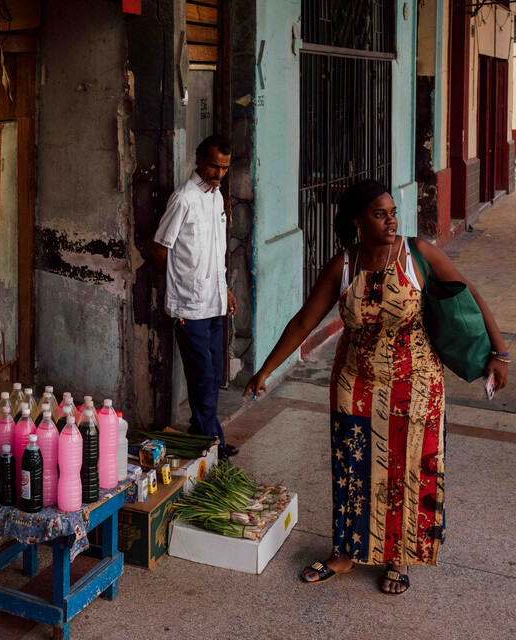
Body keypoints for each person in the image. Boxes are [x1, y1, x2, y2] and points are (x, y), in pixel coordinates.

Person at [243, 179, 508, 595]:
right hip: (355, 381)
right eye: (379, 214)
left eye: (392, 212)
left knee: (406, 470)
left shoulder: (417, 253)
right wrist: (266, 370)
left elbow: (467, 291)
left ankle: (397, 557)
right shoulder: (343, 266)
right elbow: (302, 323)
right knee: (353, 467)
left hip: (416, 384)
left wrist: (500, 352)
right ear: (357, 221)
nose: (390, 221)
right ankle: (346, 552)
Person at [151, 134, 239, 461]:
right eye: (214, 166)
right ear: (199, 160)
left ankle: (203, 436)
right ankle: (212, 442)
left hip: (214, 303)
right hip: (189, 306)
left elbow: (214, 253)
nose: (219, 174)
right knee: (202, 377)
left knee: (214, 374)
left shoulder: (216, 197)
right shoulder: (183, 199)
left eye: (225, 168)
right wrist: (179, 284)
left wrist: (224, 288)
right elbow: (160, 248)